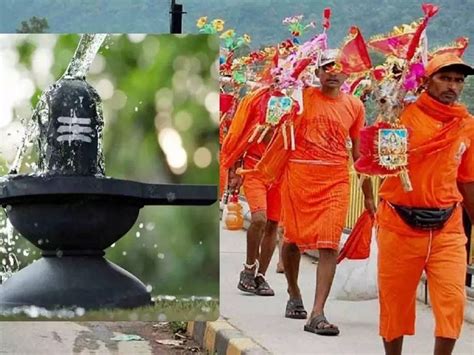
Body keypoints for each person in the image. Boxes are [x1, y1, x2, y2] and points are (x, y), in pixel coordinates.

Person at [255, 49, 375, 335]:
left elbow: (358, 153)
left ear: (347, 74)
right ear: (318, 73)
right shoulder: (302, 98)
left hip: (335, 180)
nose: (333, 72)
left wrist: (369, 194)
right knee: (293, 242)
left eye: (338, 68)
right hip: (299, 178)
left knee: (329, 244)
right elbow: (276, 126)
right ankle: (294, 293)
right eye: (327, 67)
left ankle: (317, 313)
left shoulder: (355, 106)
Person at [376, 52, 474, 355]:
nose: (453, 86)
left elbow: (467, 179)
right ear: (425, 81)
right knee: (395, 305)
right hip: (399, 224)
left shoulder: (466, 125)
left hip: (448, 228)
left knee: (453, 303)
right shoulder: (400, 116)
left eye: (458, 80)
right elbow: (375, 163)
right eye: (445, 78)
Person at [221, 85, 294, 296]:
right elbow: (240, 133)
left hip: (279, 174)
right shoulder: (258, 100)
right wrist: (234, 169)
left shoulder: (297, 103)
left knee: (272, 224)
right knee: (259, 219)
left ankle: (260, 276)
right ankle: (249, 268)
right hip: (254, 169)